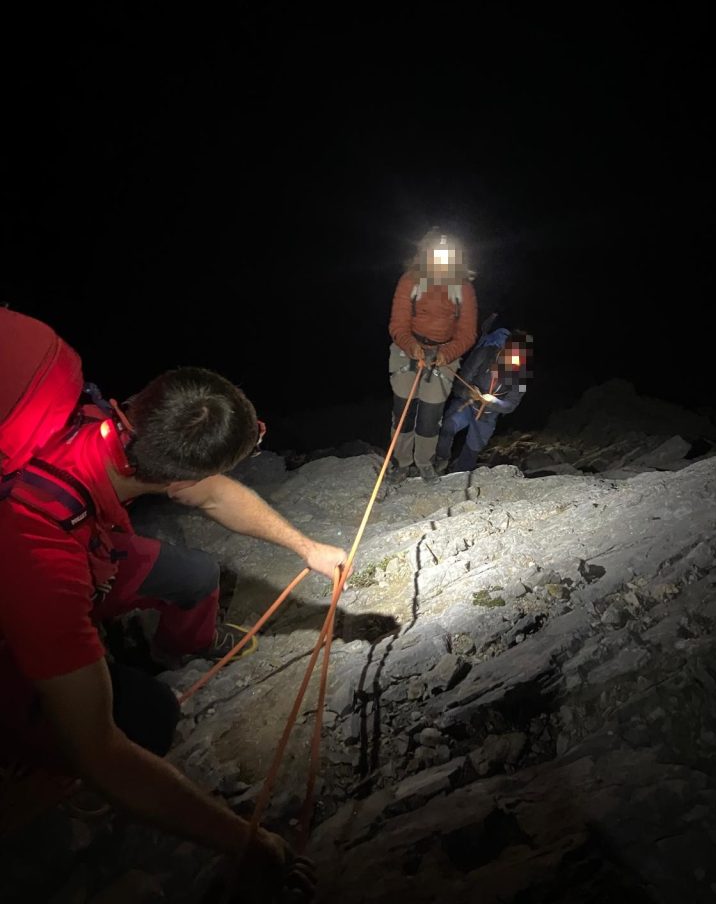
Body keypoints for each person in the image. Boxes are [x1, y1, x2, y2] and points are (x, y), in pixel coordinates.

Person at [0, 309, 344, 898]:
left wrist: (306, 548)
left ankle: (174, 652)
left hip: (91, 545)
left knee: (196, 575)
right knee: (145, 720)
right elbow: (103, 752)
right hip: (30, 597)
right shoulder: (41, 566)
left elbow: (211, 494)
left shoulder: (51, 367)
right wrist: (253, 843)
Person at [387, 227, 478, 483]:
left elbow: (467, 333)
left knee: (430, 414)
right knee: (403, 409)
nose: (440, 260)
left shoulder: (463, 288)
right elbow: (398, 324)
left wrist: (446, 353)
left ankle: (424, 462)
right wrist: (411, 346)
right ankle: (400, 462)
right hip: (409, 351)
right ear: (425, 253)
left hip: (444, 353)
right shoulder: (410, 281)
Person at [434, 327, 532, 474]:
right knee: (447, 426)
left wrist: (493, 401)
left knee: (473, 449)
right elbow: (459, 385)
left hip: (489, 414)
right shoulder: (484, 354)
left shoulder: (522, 374)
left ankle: (460, 476)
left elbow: (511, 405)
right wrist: (468, 392)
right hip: (467, 404)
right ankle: (440, 462)